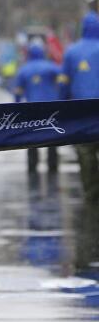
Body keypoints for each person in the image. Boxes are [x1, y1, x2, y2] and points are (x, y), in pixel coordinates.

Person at [59, 11, 99, 203]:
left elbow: (63, 83)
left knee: (86, 153)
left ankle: (91, 194)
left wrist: (61, 107)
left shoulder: (72, 52)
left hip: (82, 112)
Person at [14, 43, 61, 173]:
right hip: (51, 109)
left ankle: (32, 165)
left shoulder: (24, 70)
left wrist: (16, 106)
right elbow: (62, 81)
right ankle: (53, 166)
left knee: (32, 139)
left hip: (32, 109)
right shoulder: (51, 67)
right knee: (52, 137)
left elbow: (18, 91)